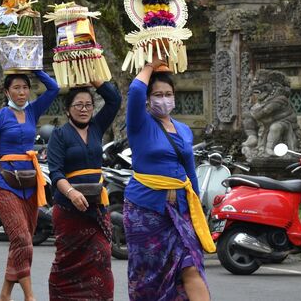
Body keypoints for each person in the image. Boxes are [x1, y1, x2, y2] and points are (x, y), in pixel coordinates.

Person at [124, 52, 213, 301]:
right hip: (146, 210)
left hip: (182, 208)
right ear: (148, 99)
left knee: (191, 264)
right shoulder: (139, 124)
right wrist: (151, 65)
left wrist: (198, 213)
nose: (164, 99)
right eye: (158, 95)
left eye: (168, 94)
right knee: (148, 277)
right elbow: (134, 90)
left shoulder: (183, 130)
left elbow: (190, 171)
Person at [0, 70, 60, 301]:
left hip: (29, 184)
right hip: (5, 184)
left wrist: (34, 69)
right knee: (22, 240)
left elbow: (55, 89)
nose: (21, 92)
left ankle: (5, 294)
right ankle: (29, 295)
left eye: (25, 87)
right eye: (16, 88)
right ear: (7, 91)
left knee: (21, 241)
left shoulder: (32, 111)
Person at [47, 80, 121, 300]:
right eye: (78, 105)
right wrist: (71, 193)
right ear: (68, 110)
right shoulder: (60, 135)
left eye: (88, 105)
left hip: (96, 207)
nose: (84, 109)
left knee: (102, 256)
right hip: (69, 209)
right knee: (66, 262)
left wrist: (94, 81)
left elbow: (114, 99)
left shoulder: (97, 127)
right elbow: (56, 173)